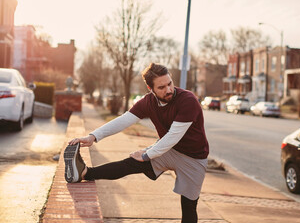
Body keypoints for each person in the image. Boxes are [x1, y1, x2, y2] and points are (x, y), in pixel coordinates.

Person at [64, 63, 209, 223]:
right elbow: (124, 120)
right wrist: (93, 136)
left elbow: (172, 137)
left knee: (188, 206)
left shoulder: (188, 100)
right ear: (150, 88)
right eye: (161, 87)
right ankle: (84, 173)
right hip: (171, 150)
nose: (168, 90)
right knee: (131, 163)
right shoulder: (148, 102)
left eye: (169, 83)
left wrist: (147, 155)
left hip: (194, 158)